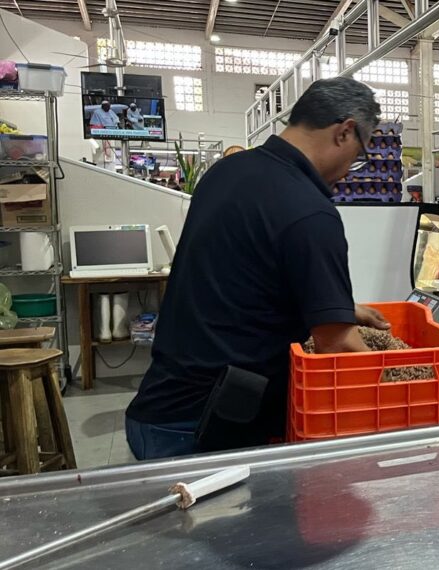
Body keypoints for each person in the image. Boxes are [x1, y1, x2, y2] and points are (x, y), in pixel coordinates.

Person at [125, 77, 387, 460]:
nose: (352, 168)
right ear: (344, 132)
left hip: (162, 403)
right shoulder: (310, 211)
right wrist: (398, 378)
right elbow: (337, 343)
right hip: (202, 427)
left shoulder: (226, 173)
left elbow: (242, 278)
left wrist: (341, 309)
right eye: (360, 151)